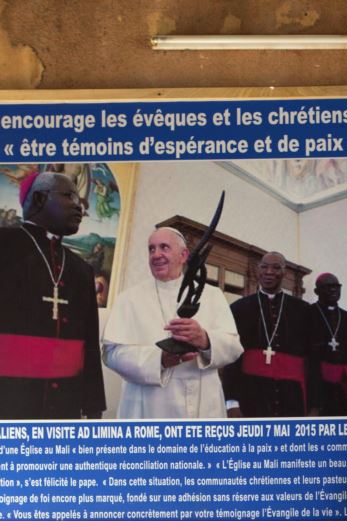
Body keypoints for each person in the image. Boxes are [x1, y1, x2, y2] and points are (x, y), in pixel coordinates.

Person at [101, 227, 243, 418]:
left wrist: (205, 340)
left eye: (164, 247)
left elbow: (234, 347)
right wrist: (158, 360)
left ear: (184, 255)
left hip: (202, 403)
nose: (156, 254)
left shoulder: (212, 295)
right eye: (151, 249)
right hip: (148, 405)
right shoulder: (129, 298)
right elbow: (111, 354)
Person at [0, 171, 105, 419]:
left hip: (65, 405)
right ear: (38, 200)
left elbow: (89, 345)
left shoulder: (82, 269)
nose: (80, 206)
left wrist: (93, 406)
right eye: (69, 196)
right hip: (9, 399)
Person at [222, 251, 319, 417]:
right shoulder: (238, 308)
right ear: (258, 270)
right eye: (264, 267)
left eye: (276, 268)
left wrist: (315, 405)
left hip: (293, 396)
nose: (269, 272)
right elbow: (231, 358)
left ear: (284, 272)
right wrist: (231, 402)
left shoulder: (303, 310)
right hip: (251, 393)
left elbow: (313, 359)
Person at [308, 272, 347, 416]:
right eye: (327, 287)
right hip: (316, 383)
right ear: (316, 291)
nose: (333, 290)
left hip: (343, 385)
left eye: (336, 286)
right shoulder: (306, 314)